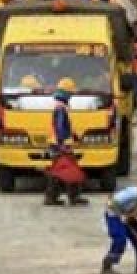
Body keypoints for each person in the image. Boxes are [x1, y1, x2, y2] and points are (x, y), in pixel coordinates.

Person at [45, 77, 88, 206]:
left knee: (61, 172)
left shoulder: (60, 107)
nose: (72, 96)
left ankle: (54, 197)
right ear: (66, 94)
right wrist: (62, 144)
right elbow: (59, 128)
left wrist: (74, 136)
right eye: (71, 93)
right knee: (67, 172)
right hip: (61, 145)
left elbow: (64, 127)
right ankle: (70, 197)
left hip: (59, 144)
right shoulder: (61, 109)